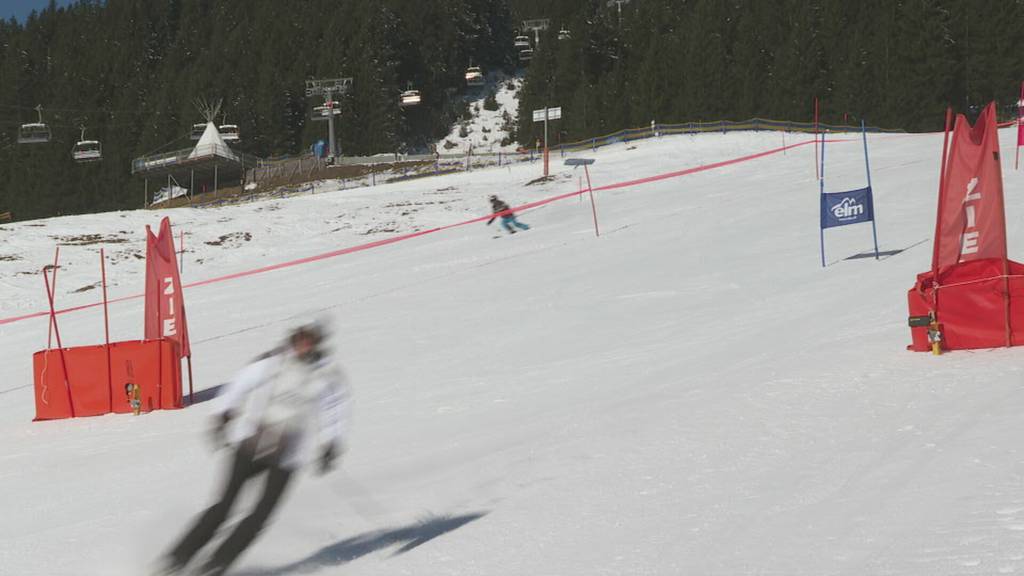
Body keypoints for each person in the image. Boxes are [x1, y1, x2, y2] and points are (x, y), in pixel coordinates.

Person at [155, 319, 352, 576]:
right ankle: (176, 560)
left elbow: (333, 409)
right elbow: (239, 385)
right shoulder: (273, 362)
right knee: (223, 506)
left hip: (287, 454)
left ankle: (216, 565)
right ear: (294, 339)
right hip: (251, 442)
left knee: (259, 516)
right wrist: (222, 415)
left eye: (310, 342)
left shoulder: (325, 374)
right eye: (301, 340)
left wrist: (331, 443)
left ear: (316, 344)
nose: (304, 346)